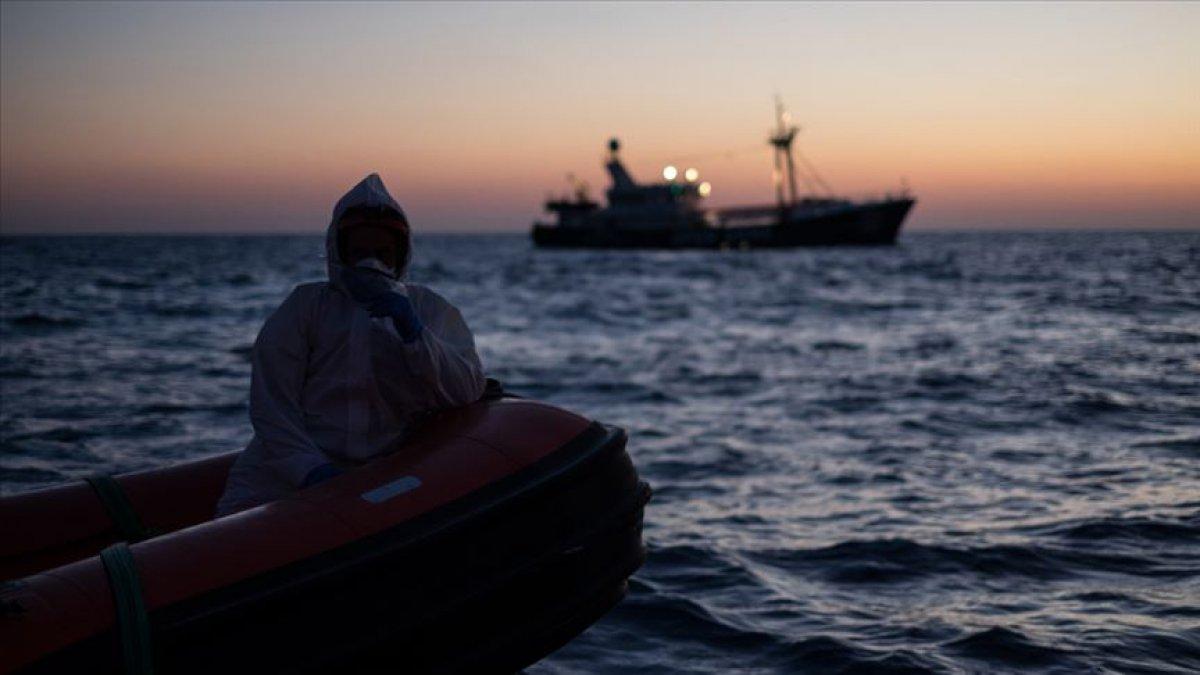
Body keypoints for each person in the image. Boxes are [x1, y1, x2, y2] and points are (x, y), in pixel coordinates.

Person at [216, 174, 486, 515]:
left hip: (383, 472)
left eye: (382, 253)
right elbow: (272, 407)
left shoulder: (430, 310)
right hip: (284, 470)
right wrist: (311, 470)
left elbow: (466, 390)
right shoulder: (304, 308)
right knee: (237, 527)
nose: (371, 263)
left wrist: (416, 335)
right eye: (359, 253)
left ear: (400, 255)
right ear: (339, 252)